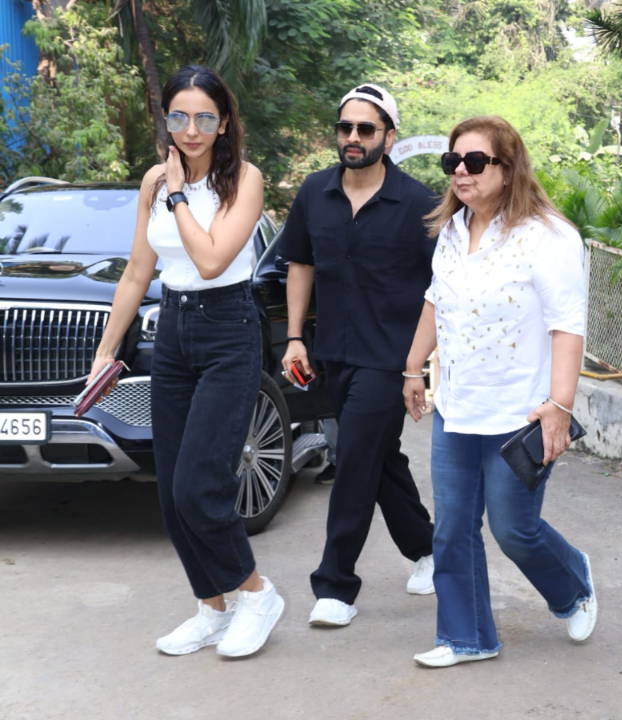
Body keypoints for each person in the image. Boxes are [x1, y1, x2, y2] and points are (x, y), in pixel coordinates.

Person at [90, 65, 283, 658]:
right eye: (179, 116)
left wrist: (177, 194)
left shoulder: (243, 180)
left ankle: (257, 593)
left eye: (204, 117)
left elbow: (210, 259)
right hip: (172, 333)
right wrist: (105, 349)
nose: (191, 129)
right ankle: (213, 608)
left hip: (229, 329)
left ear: (223, 122)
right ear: (166, 119)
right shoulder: (152, 180)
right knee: (172, 493)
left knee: (202, 486)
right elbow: (136, 272)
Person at [402, 115, 597, 668]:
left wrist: (559, 407)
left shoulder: (550, 237)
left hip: (523, 413)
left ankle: (574, 583)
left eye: (475, 161)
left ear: (508, 168)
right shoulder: (452, 232)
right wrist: (413, 368)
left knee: (516, 529)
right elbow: (436, 302)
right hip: (458, 408)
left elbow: (567, 325)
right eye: (453, 162)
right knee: (453, 531)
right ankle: (466, 638)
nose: (461, 171)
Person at [276, 84, 439, 628]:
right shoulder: (314, 192)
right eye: (345, 128)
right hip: (332, 353)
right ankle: (431, 549)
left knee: (351, 459)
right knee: (378, 458)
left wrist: (422, 363)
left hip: (390, 358)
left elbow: (446, 287)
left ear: (388, 137)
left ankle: (336, 584)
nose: (352, 138)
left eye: (365, 129)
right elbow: (299, 263)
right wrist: (295, 337)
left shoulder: (419, 204)